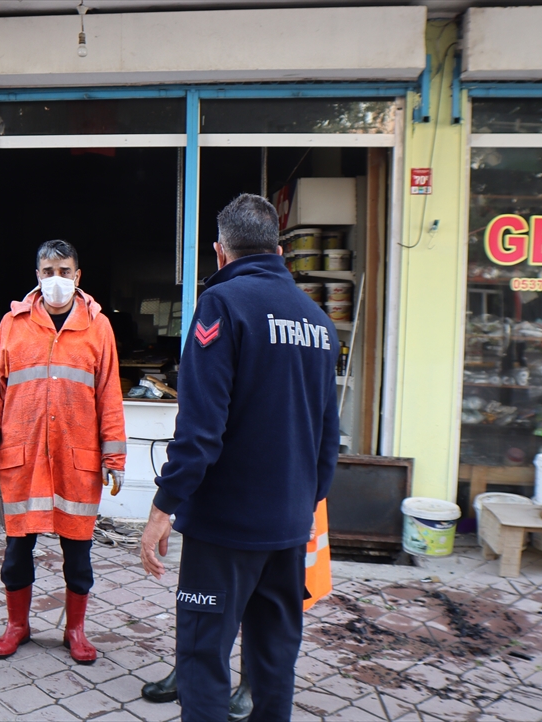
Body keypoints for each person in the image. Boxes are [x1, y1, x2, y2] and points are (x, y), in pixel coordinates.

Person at [139, 193, 340, 721]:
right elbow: (327, 436)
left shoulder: (223, 305)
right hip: (290, 527)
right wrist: (305, 503)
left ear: (220, 252)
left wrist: (164, 506)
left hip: (224, 532)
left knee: (204, 654)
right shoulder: (318, 321)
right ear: (277, 248)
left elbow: (201, 428)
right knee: (275, 657)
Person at [0, 240, 127, 664]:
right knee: (17, 554)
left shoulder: (98, 327)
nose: (56, 279)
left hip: (77, 464)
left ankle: (75, 630)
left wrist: (114, 459)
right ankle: (16, 625)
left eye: (65, 270)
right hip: (23, 462)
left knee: (78, 557)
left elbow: (110, 397)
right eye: (48, 270)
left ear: (79, 276)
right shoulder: (12, 324)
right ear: (36, 275)